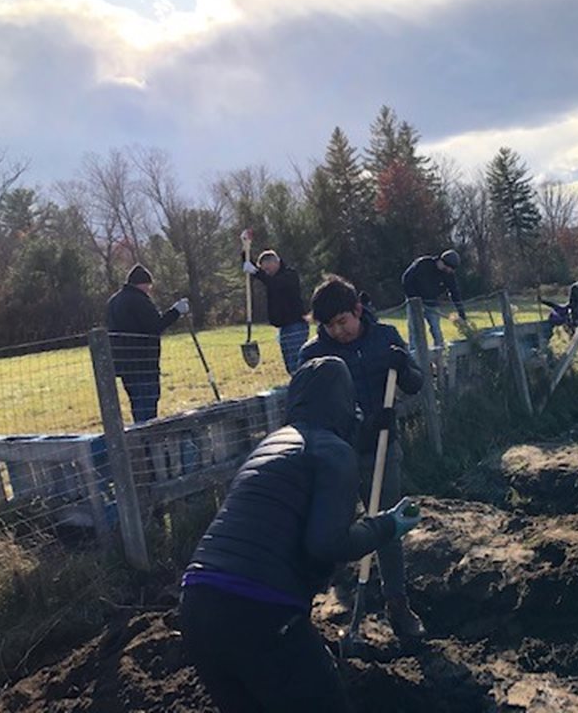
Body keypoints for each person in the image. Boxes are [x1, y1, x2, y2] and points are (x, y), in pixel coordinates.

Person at [180, 356, 421, 713]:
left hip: (197, 605)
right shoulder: (334, 453)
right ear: (344, 402)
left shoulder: (272, 444)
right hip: (259, 609)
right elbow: (326, 543)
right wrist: (387, 525)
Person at [299, 276, 427, 638]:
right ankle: (307, 607)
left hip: (383, 450)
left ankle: (397, 604)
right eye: (329, 325)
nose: (337, 331)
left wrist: (404, 366)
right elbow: (309, 413)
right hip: (334, 459)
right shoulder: (312, 355)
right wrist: (361, 429)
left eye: (342, 321)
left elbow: (415, 383)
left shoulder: (385, 337)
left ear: (357, 310)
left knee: (387, 526)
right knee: (327, 531)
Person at [106, 264, 188, 422]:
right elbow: (155, 326)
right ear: (143, 284)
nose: (149, 290)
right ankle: (148, 435)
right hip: (143, 362)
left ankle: (140, 431)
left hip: (124, 364)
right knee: (147, 405)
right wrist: (176, 311)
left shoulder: (114, 301)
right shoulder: (139, 300)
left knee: (137, 403)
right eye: (148, 286)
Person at [242, 241, 309, 374]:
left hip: (296, 325)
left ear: (276, 262)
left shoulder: (289, 275)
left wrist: (256, 272)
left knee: (296, 363)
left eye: (268, 269)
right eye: (264, 270)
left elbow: (275, 284)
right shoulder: (270, 278)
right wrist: (245, 247)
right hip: (283, 328)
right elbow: (254, 268)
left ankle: (303, 383)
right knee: (290, 365)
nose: (266, 273)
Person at [401, 249, 466, 348]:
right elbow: (406, 279)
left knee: (436, 330)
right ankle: (414, 353)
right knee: (414, 330)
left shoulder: (448, 275)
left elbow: (454, 293)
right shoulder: (423, 264)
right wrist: (413, 298)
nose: (450, 271)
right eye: (450, 268)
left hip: (431, 303)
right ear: (443, 262)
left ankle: (440, 353)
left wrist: (462, 314)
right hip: (414, 303)